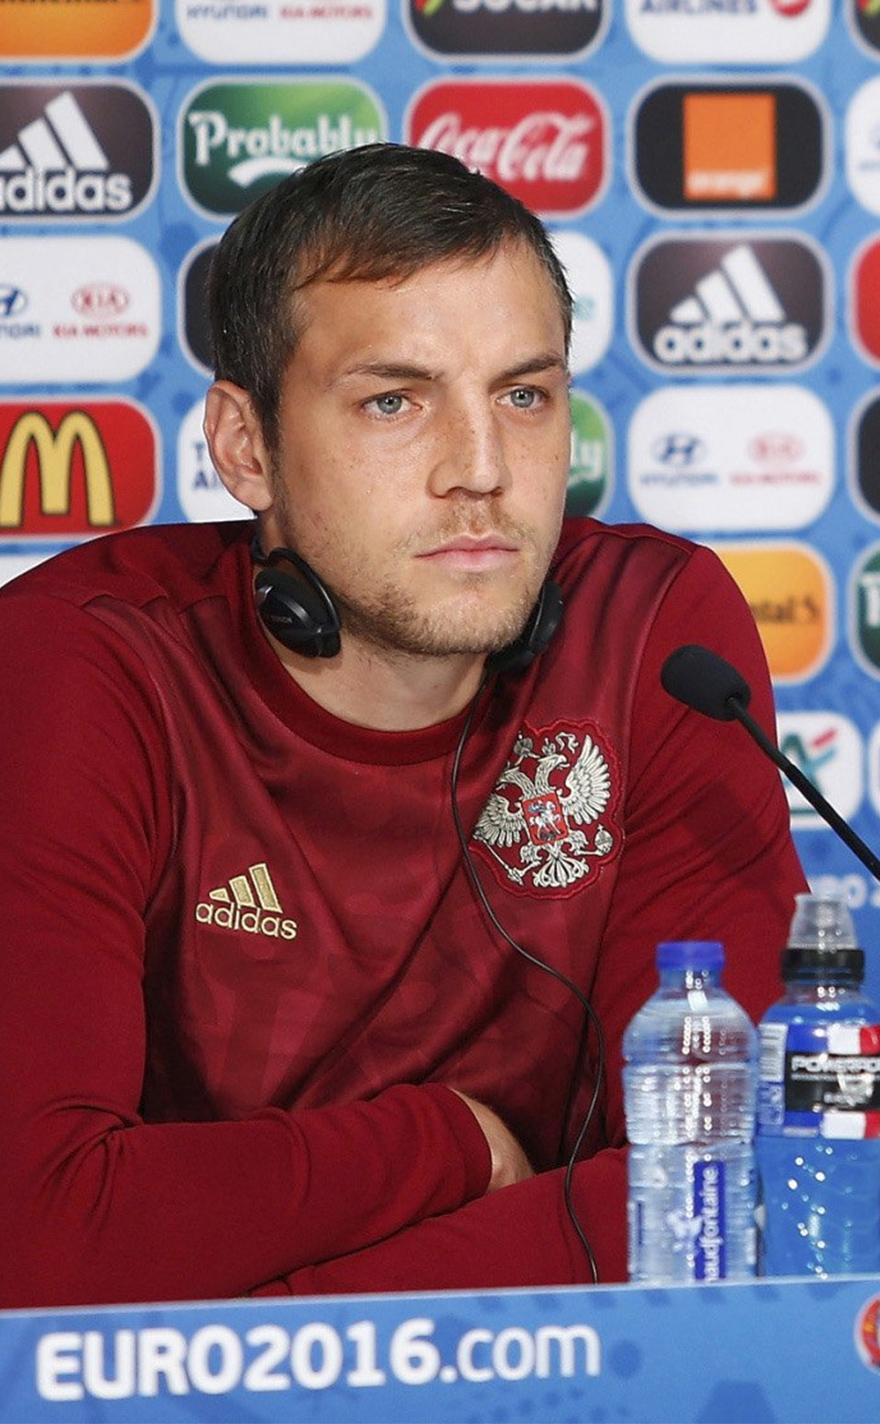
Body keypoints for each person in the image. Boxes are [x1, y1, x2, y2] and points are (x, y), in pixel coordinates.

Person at [0, 144, 806, 1306]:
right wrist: (447, 1145)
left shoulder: (651, 640)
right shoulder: (82, 665)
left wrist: (278, 1327)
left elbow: (736, 1188)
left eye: (522, 396)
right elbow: (40, 1235)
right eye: (393, 401)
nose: (480, 471)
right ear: (245, 447)